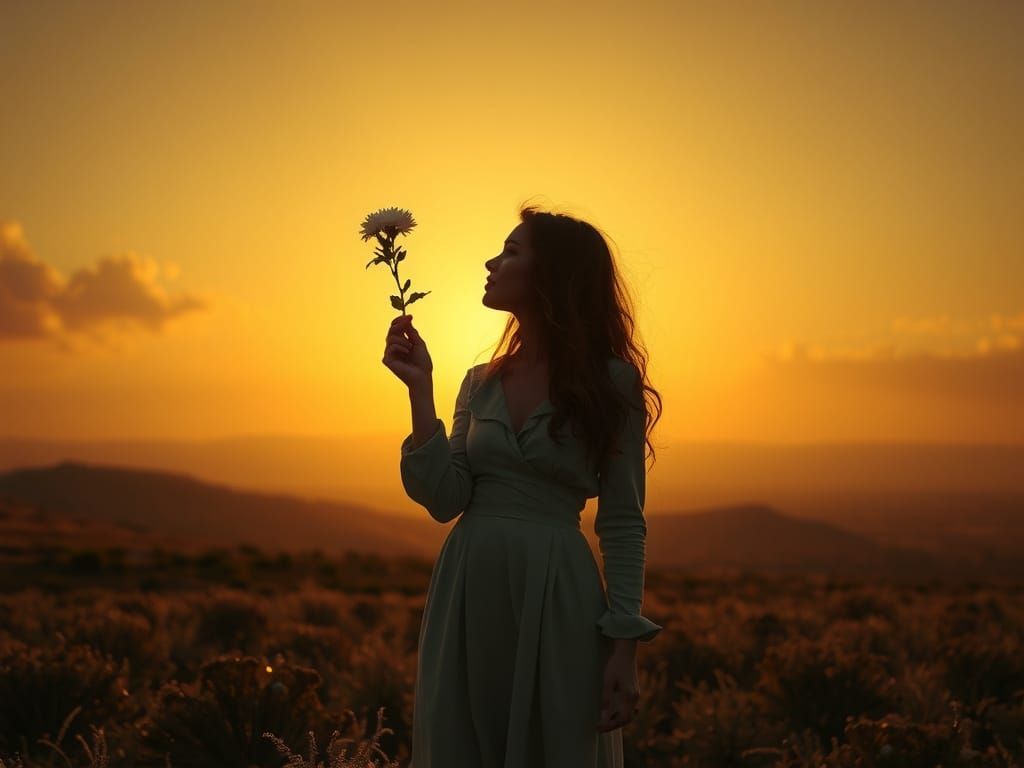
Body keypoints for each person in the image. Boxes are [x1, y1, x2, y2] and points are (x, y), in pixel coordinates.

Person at [382, 205, 663, 768]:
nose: (492, 261)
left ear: (553, 275)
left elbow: (623, 521)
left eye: (511, 251)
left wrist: (622, 648)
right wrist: (420, 393)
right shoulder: (479, 382)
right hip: (467, 590)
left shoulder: (612, 382)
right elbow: (445, 500)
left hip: (558, 592)